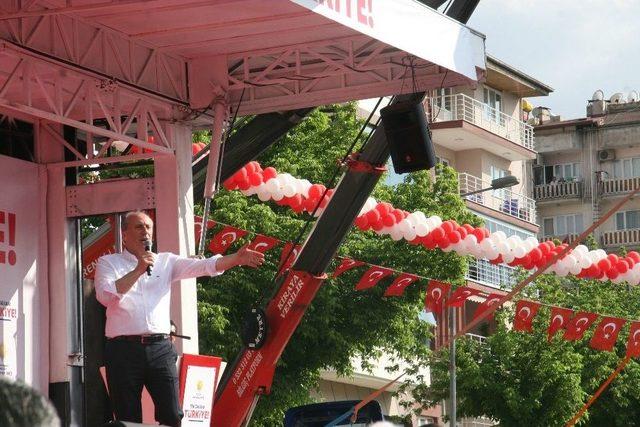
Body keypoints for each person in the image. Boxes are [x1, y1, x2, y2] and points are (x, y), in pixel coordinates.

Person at [95, 211, 264, 427]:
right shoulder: (109, 263)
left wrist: (236, 259)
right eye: (139, 227)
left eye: (148, 227)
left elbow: (204, 266)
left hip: (160, 347)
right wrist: (139, 269)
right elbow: (105, 296)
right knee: (127, 418)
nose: (145, 231)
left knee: (173, 414)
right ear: (124, 234)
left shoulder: (166, 261)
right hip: (123, 350)